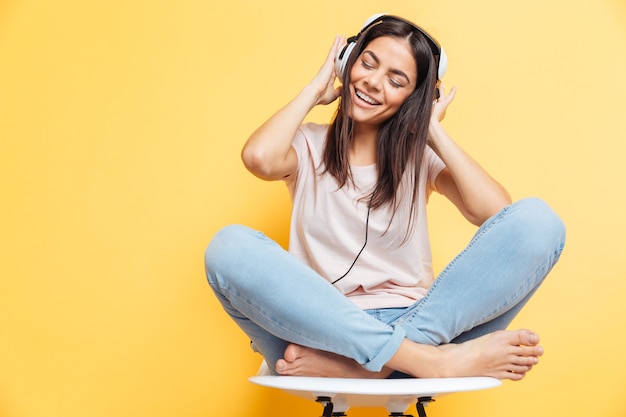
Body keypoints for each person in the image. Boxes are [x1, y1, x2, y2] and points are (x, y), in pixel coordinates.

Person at [205, 14, 565, 381]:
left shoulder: (420, 156)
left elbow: (497, 214)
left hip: (420, 324)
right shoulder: (306, 145)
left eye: (396, 81)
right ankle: (422, 362)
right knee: (228, 247)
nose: (373, 83)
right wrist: (315, 90)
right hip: (318, 333)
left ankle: (369, 367)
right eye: (367, 63)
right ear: (348, 61)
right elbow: (258, 159)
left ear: (416, 98)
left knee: (540, 221)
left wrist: (431, 129)